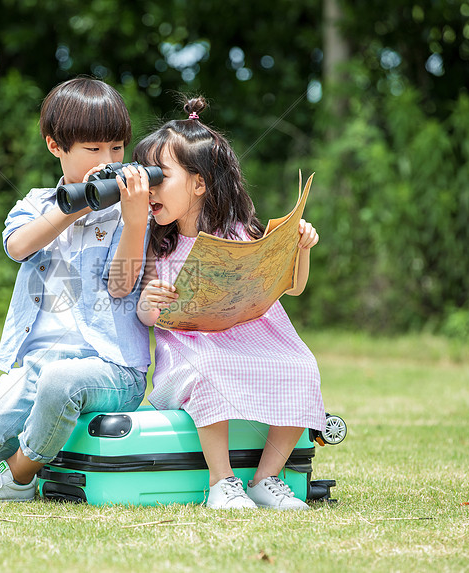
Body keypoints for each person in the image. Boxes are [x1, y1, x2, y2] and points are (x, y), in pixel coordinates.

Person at [0, 77, 152, 502]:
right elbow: (18, 246)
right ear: (56, 147)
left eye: (116, 148)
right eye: (93, 150)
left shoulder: (132, 212)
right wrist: (80, 203)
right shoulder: (37, 204)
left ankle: (18, 477)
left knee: (61, 381)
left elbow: (122, 284)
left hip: (114, 368)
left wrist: (135, 219)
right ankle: (49, 449)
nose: (107, 161)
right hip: (41, 362)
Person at [135, 96, 326, 510]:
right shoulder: (156, 244)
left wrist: (301, 248)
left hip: (250, 338)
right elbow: (146, 313)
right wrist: (149, 303)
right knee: (212, 369)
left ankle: (266, 478)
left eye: (159, 177)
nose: (149, 188)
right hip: (190, 351)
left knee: (301, 366)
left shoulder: (241, 233)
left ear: (199, 183)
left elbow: (290, 287)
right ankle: (222, 481)